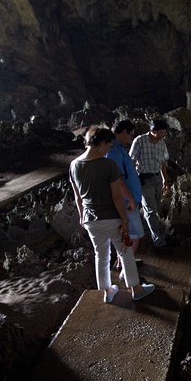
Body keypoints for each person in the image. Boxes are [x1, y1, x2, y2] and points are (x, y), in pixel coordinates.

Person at [69, 126, 155, 303]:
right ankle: (136, 289)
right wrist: (125, 220)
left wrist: (81, 217)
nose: (108, 150)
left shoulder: (74, 165)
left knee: (101, 254)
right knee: (125, 252)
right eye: (108, 146)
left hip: (90, 219)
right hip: (111, 218)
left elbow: (78, 197)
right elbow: (117, 196)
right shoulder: (108, 165)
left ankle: (107, 291)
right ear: (100, 143)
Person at [129, 119, 173, 255]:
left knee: (155, 209)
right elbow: (132, 161)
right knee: (151, 211)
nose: (162, 135)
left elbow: (163, 162)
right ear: (152, 131)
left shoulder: (161, 143)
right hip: (144, 180)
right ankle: (159, 242)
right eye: (160, 133)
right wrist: (133, 181)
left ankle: (151, 232)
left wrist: (165, 178)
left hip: (157, 179)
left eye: (164, 133)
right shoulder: (140, 141)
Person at [106, 119, 144, 257]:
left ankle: (121, 263)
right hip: (127, 202)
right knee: (135, 234)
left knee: (126, 234)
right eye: (130, 135)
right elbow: (117, 180)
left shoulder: (117, 150)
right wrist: (130, 199)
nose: (130, 139)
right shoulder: (114, 152)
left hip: (127, 201)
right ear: (123, 132)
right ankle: (126, 268)